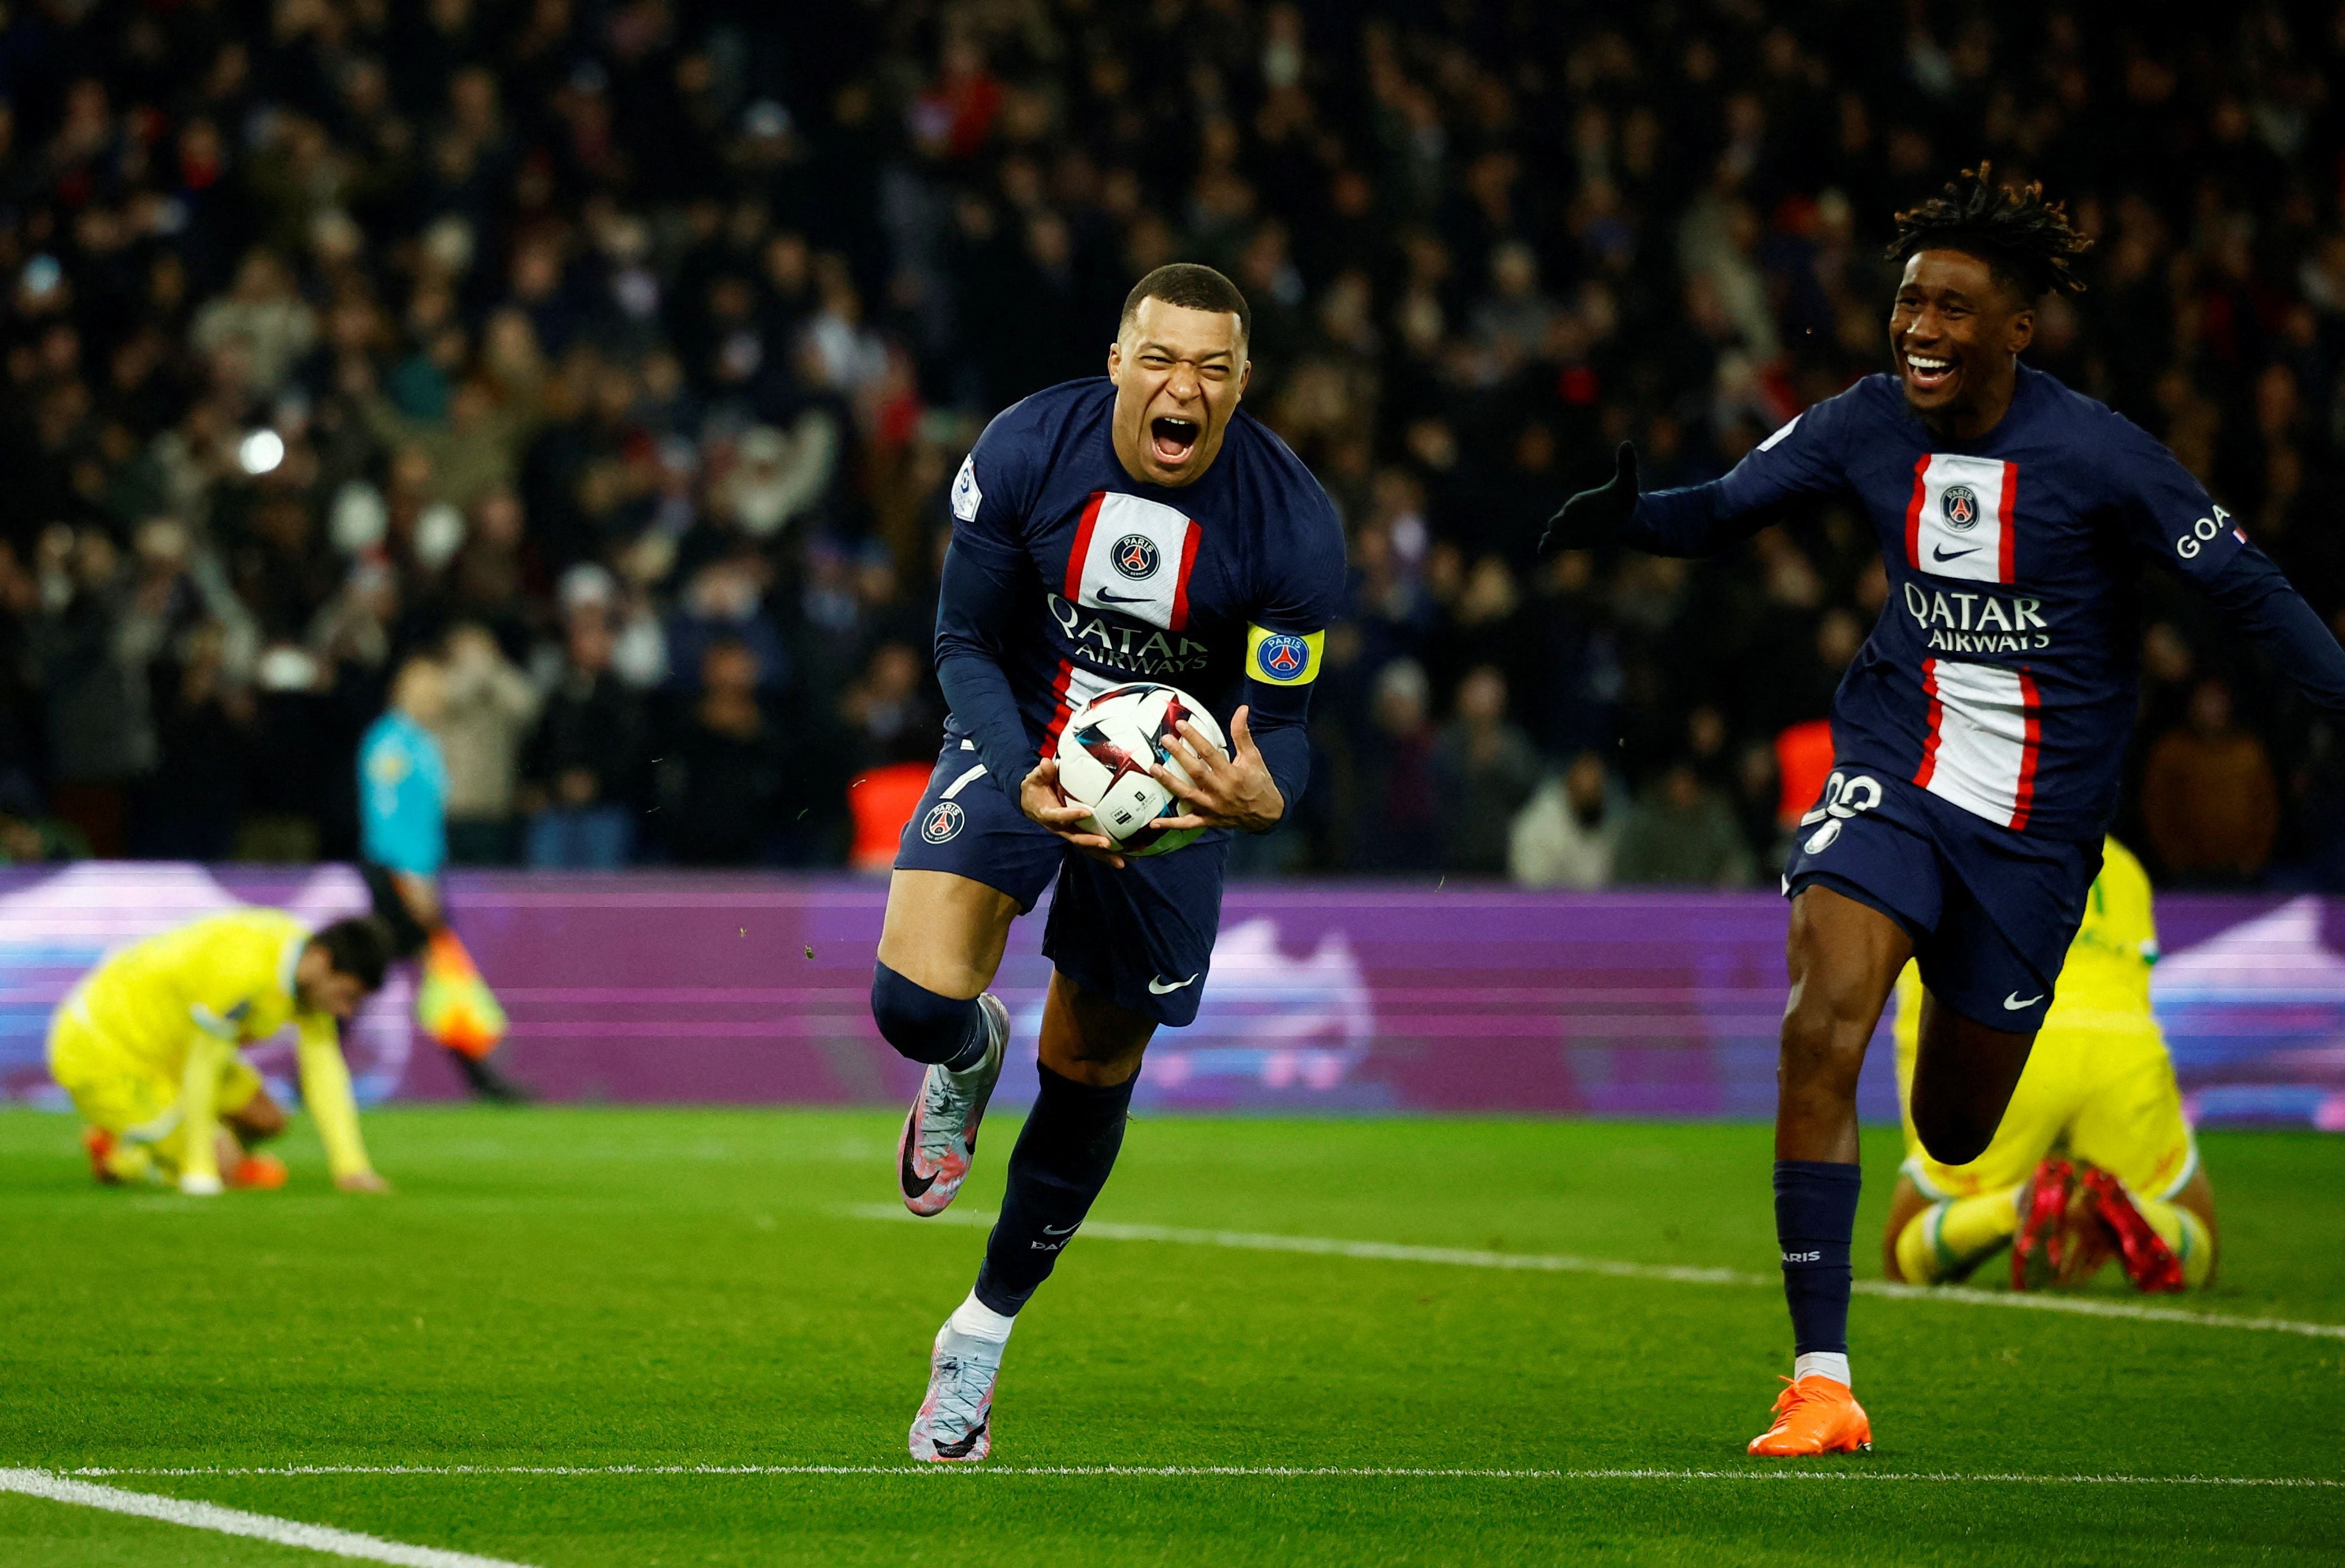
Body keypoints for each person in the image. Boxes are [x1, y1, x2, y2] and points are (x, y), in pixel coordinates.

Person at [1538, 167, 2345, 1457]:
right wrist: (1628, 518)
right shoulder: (1864, 423)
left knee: (1952, 1129)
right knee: (1819, 1027)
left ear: (2016, 328)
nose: (1917, 324)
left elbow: (2248, 590)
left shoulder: (2097, 456)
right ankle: (1820, 1382)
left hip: (2034, 837)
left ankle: (2001, 1191)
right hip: (1894, 765)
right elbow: (1728, 508)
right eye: (1909, 300)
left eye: (1953, 308)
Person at [873, 263, 1342, 1462]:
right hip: (1025, 733)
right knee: (910, 1002)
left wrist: (1262, 789)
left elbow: (1281, 723)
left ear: (1242, 384)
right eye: (1161, 359)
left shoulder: (1293, 524)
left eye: (1214, 367)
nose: (1182, 387)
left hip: (1173, 788)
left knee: (1087, 1067)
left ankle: (977, 1338)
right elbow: (964, 633)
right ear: (1119, 360)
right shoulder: (1028, 445)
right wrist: (1008, 759)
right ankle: (967, 1051)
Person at [1882, 837, 2215, 1294]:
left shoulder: (1950, 845)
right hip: (2122, 1045)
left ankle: (2013, 1206)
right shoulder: (2122, 864)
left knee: (1903, 1253)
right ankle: (2129, 1207)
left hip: (2005, 1039)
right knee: (2200, 1237)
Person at [46, 910, 394, 1194]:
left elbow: (323, 1071)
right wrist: (202, 1170)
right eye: (347, 996)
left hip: (175, 1049)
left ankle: (135, 1144)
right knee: (220, 1161)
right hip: (104, 1049)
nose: (346, 1012)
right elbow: (202, 1068)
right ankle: (134, 1157)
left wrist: (351, 1169)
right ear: (321, 960)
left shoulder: (305, 973)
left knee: (268, 1121)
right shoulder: (246, 969)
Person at [358, 649, 532, 1102]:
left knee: (417, 974)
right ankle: (484, 1080)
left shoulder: (419, 742)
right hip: (400, 876)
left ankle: (483, 1079)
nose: (437, 699)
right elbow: (389, 817)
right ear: (404, 693)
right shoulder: (392, 744)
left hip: (416, 872)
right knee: (427, 973)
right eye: (427, 690)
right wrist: (414, 879)